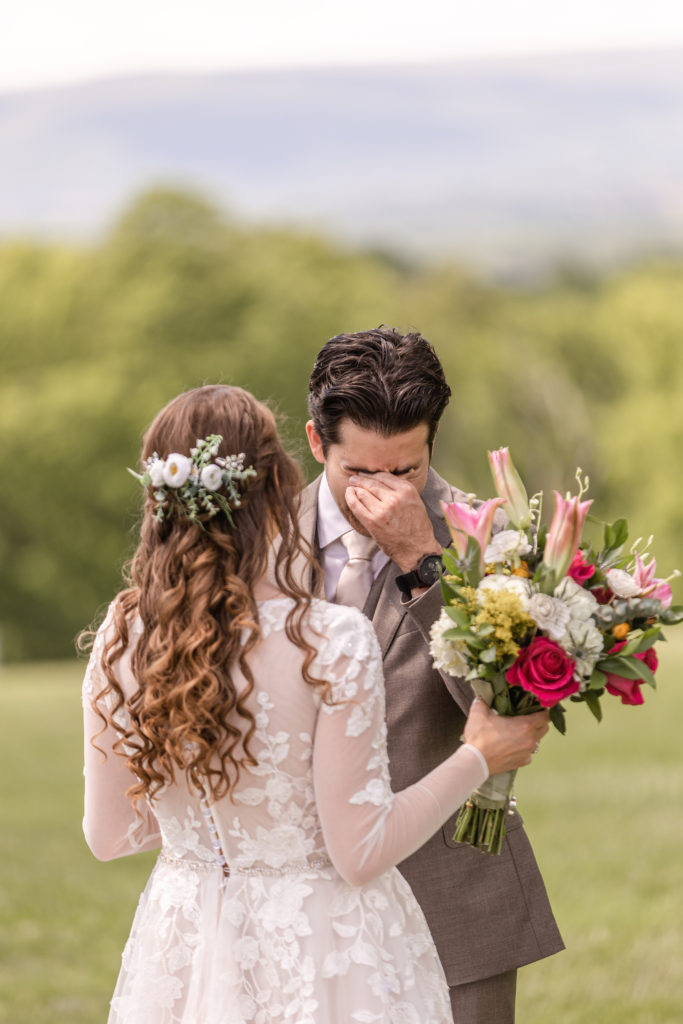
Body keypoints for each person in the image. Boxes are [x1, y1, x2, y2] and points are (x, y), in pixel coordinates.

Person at [82, 383, 549, 1024]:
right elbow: (358, 853)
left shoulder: (122, 632)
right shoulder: (325, 638)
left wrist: (229, 825)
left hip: (185, 947)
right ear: (281, 481)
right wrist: (477, 757)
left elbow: (109, 836)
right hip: (324, 947)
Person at [301, 328, 565, 1023]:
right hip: (295, 907)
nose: (383, 493)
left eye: (405, 471)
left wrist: (424, 559)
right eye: (360, 473)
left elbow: (510, 708)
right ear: (314, 441)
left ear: (430, 446)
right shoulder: (257, 537)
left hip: (450, 896)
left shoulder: (495, 533)